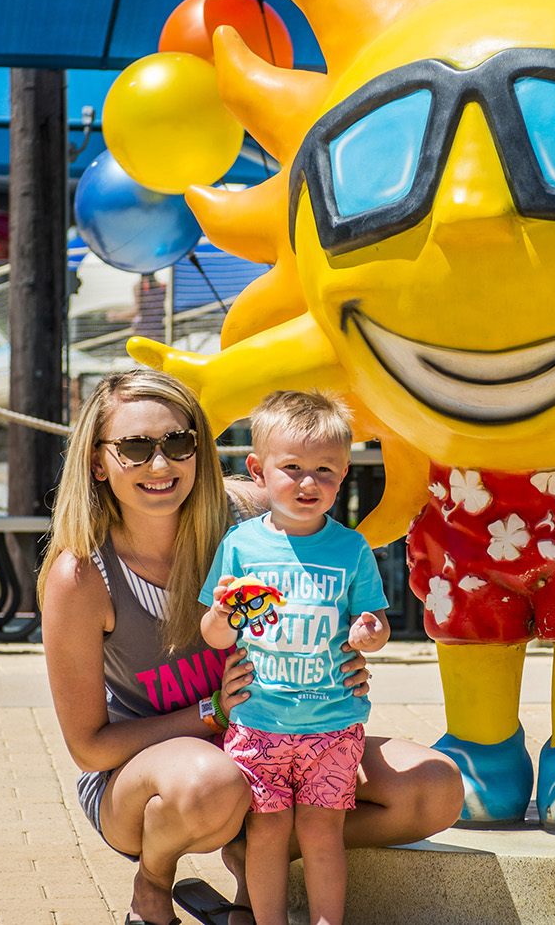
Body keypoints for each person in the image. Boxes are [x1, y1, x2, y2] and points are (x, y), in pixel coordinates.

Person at [39, 369, 461, 925]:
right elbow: (91, 750)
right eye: (135, 448)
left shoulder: (250, 515)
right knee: (213, 782)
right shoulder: (81, 576)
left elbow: (330, 572)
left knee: (434, 787)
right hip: (149, 784)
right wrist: (212, 712)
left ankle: (257, 860)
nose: (160, 464)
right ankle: (153, 883)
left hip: (278, 738)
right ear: (98, 462)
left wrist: (351, 644)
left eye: (179, 443)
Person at [199, 390, 391, 925]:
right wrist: (221, 615)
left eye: (325, 470)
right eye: (292, 468)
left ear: (344, 474)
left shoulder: (352, 549)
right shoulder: (240, 545)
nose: (309, 483)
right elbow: (214, 634)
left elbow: (375, 624)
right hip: (259, 722)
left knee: (322, 831)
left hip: (334, 724)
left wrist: (370, 633)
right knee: (267, 830)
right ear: (257, 471)